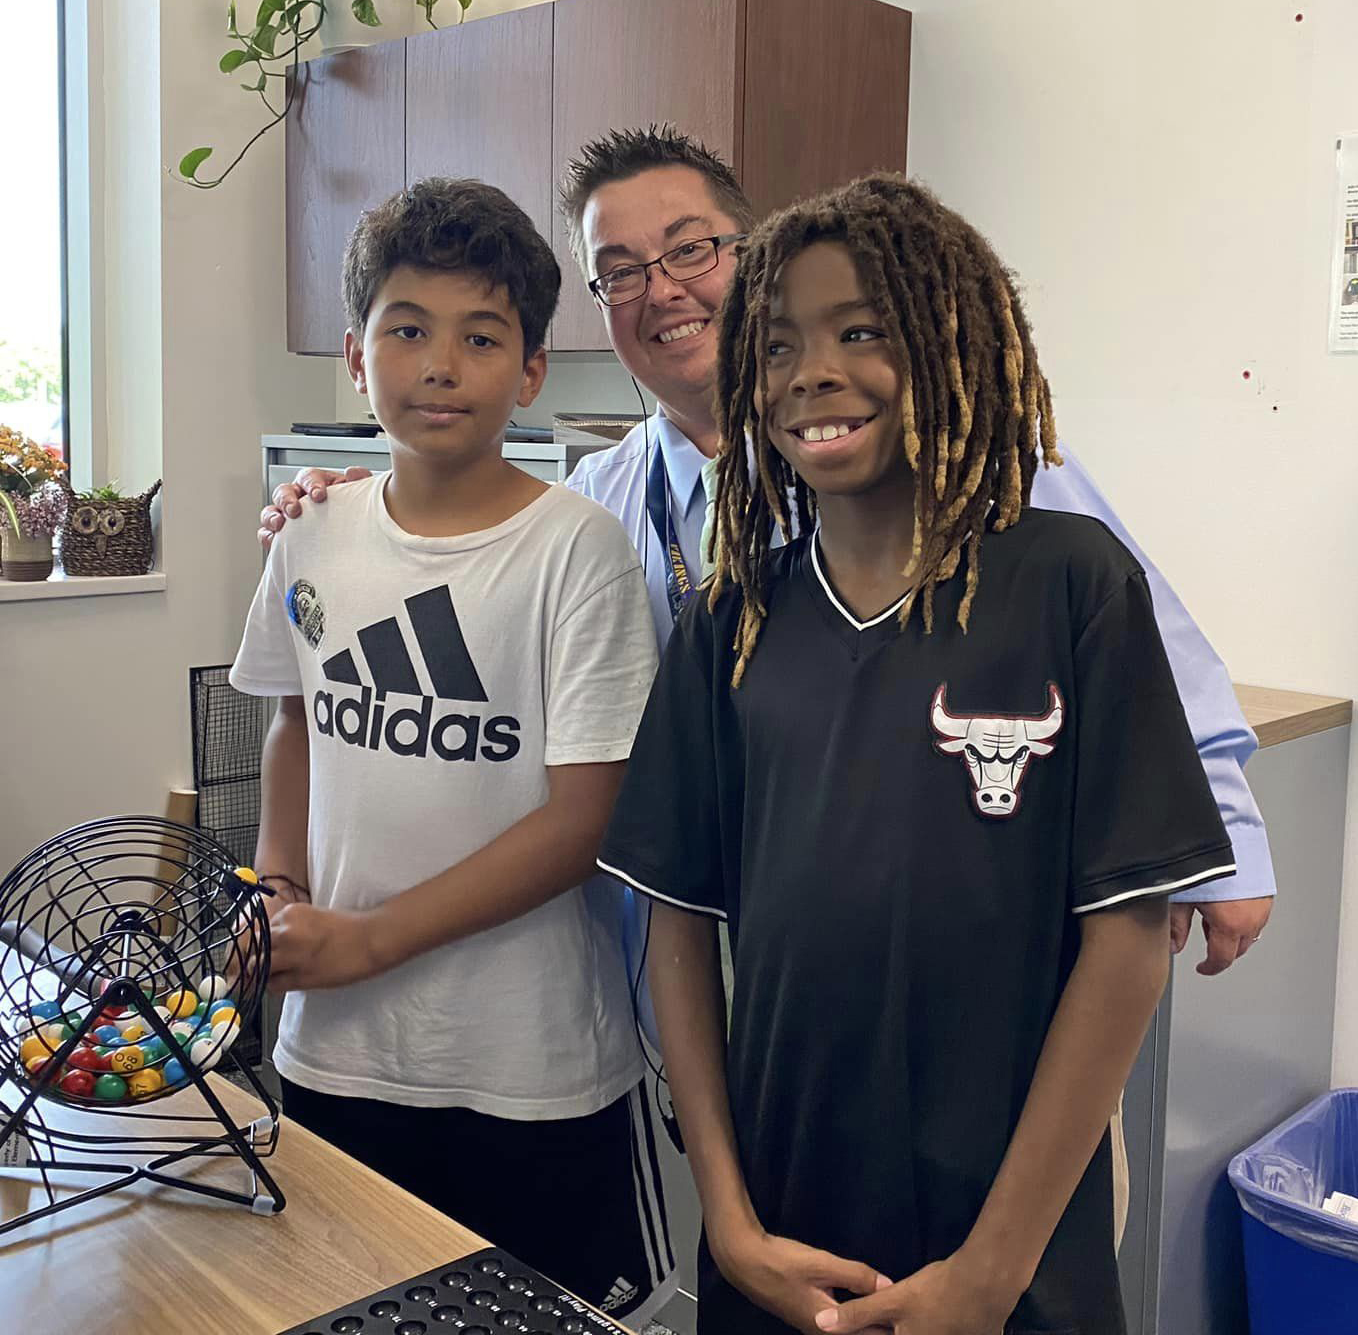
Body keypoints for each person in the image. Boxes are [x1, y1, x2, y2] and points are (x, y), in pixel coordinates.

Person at [261, 128, 1273, 976]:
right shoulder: (597, 504)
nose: (661, 291)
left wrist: (1228, 842)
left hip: (937, 944)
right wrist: (354, 500)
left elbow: (1142, 644)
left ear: (754, 252)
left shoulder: (943, 453)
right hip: (689, 953)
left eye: (691, 250)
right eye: (618, 272)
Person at [597, 174, 1237, 1335]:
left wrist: (991, 1275)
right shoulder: (731, 621)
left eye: (862, 332)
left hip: (1010, 1241)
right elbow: (678, 926)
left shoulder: (1070, 584)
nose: (813, 373)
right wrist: (729, 1226)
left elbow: (1131, 942)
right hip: (783, 1228)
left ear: (952, 344)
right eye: (779, 344)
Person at [230, 178, 673, 1325]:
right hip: (334, 1052)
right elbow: (295, 724)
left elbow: (584, 822)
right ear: (355, 354)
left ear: (529, 372)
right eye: (408, 330)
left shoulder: (579, 547)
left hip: (528, 1070)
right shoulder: (313, 530)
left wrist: (369, 939)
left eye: (483, 338)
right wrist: (280, 888)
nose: (441, 365)